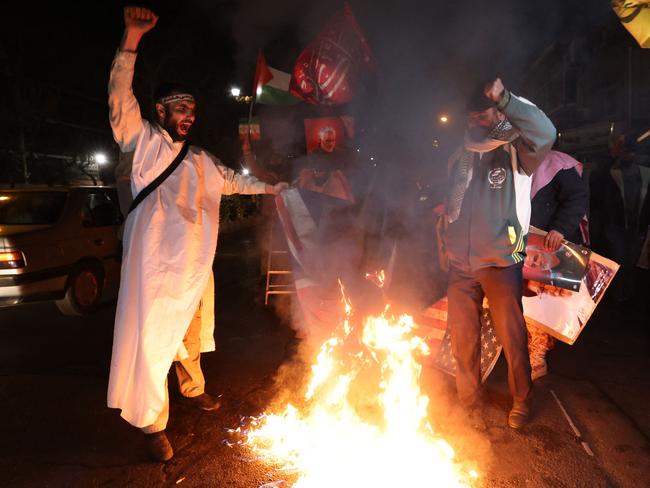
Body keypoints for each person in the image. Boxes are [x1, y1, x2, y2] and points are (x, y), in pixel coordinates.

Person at [107, 7, 288, 462]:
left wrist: (275, 187)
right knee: (152, 346)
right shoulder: (143, 142)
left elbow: (236, 180)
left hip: (193, 271)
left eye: (193, 109)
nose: (189, 115)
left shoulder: (201, 161)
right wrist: (131, 40)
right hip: (154, 273)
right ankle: (153, 423)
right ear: (161, 111)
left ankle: (194, 391)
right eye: (181, 107)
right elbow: (118, 97)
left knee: (190, 340)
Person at [443, 77, 556, 429]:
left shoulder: (517, 150)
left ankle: (522, 399)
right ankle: (468, 401)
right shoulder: (460, 155)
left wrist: (504, 98)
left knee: (512, 334)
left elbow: (546, 131)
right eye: (471, 118)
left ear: (496, 114)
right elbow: (452, 202)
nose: (476, 122)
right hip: (461, 262)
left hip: (502, 257)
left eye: (483, 115)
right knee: (463, 335)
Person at [527, 150, 589, 380]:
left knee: (541, 303)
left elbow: (577, 198)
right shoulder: (514, 161)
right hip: (520, 243)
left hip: (549, 246)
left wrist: (560, 227)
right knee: (520, 300)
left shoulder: (559, 165)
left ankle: (536, 356)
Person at [590, 130, 650, 304]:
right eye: (621, 149)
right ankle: (618, 297)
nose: (626, 153)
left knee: (631, 264)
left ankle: (627, 297)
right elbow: (597, 196)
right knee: (619, 263)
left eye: (628, 150)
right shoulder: (607, 173)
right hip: (615, 227)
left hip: (637, 228)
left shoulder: (645, 173)